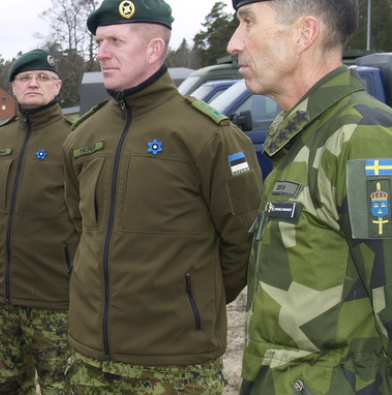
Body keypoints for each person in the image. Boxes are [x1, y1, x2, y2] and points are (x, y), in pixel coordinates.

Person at [61, 0, 264, 393]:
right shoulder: (82, 135)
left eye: (116, 41)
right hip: (88, 357)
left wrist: (189, 299)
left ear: (154, 49)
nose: (101, 53)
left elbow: (243, 237)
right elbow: (79, 225)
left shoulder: (208, 135)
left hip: (176, 362)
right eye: (99, 41)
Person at [228, 0, 392, 393]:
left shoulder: (362, 137)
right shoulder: (304, 137)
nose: (235, 43)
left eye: (248, 22)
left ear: (305, 34)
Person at [0, 49, 80, 394]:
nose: (33, 83)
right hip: (2, 297)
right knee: (7, 386)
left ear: (58, 87)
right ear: (13, 87)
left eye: (43, 78)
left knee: (61, 387)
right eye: (25, 78)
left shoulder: (75, 138)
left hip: (56, 298)